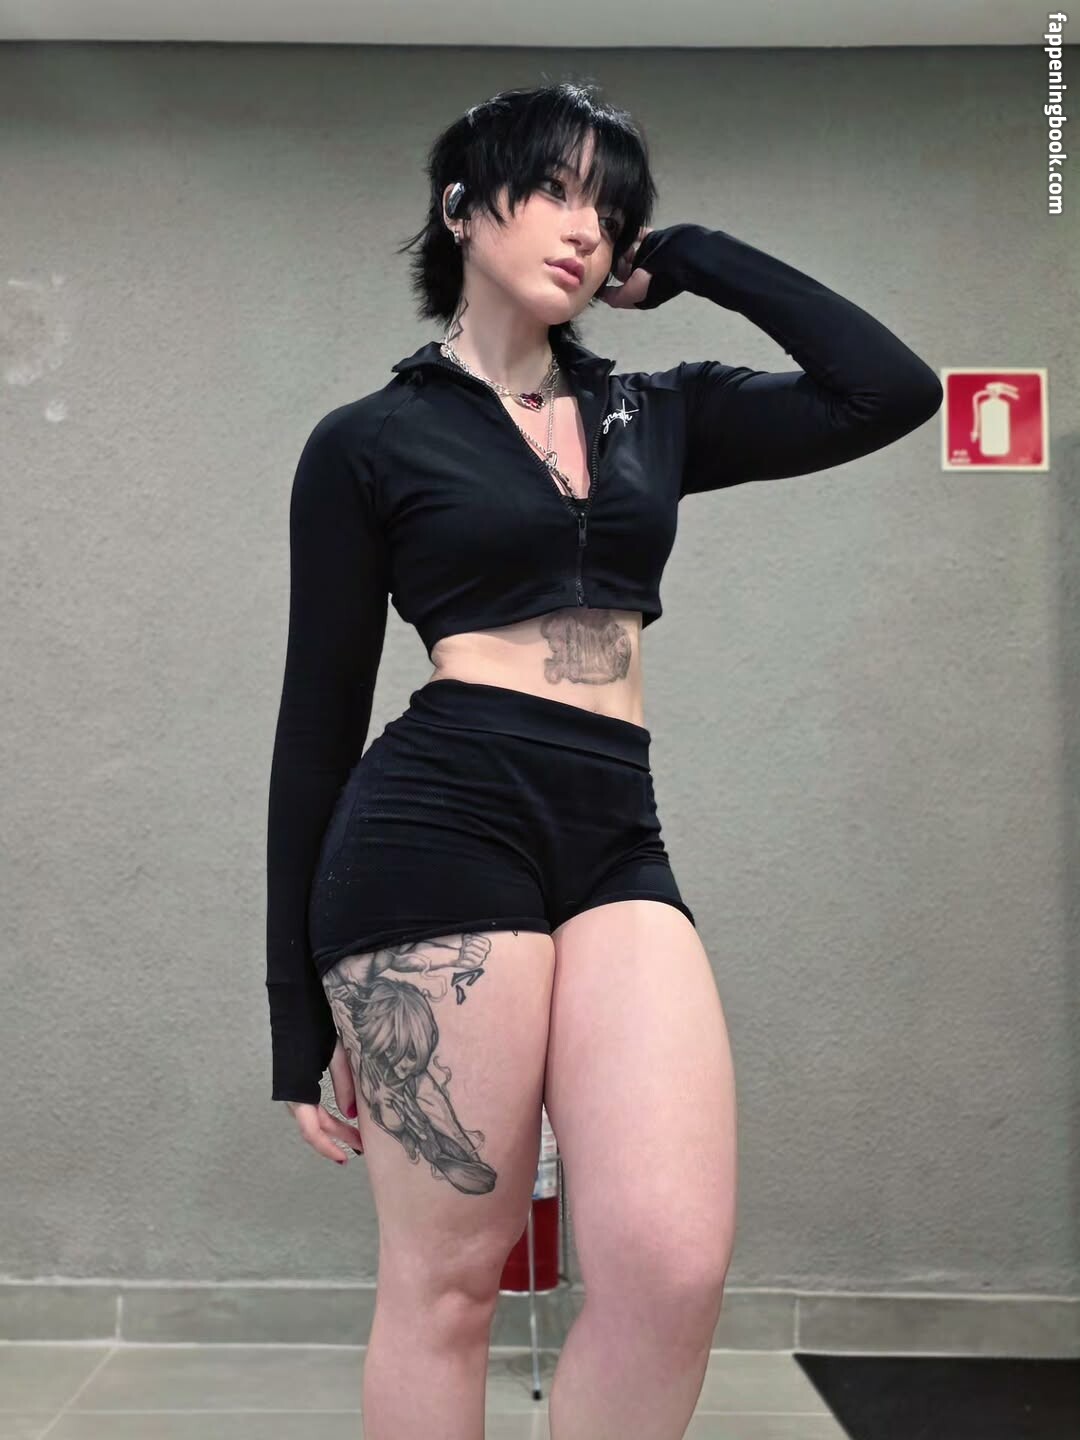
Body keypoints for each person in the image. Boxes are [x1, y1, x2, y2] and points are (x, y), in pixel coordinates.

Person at [265, 78, 942, 1440]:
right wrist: (296, 1016)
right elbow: (315, 722)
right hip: (436, 830)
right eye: (558, 191)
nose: (589, 228)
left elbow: (891, 390)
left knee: (671, 1269)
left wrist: (693, 256)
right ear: (463, 208)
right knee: (449, 1288)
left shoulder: (657, 412)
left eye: (612, 209)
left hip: (615, 827)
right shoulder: (369, 441)